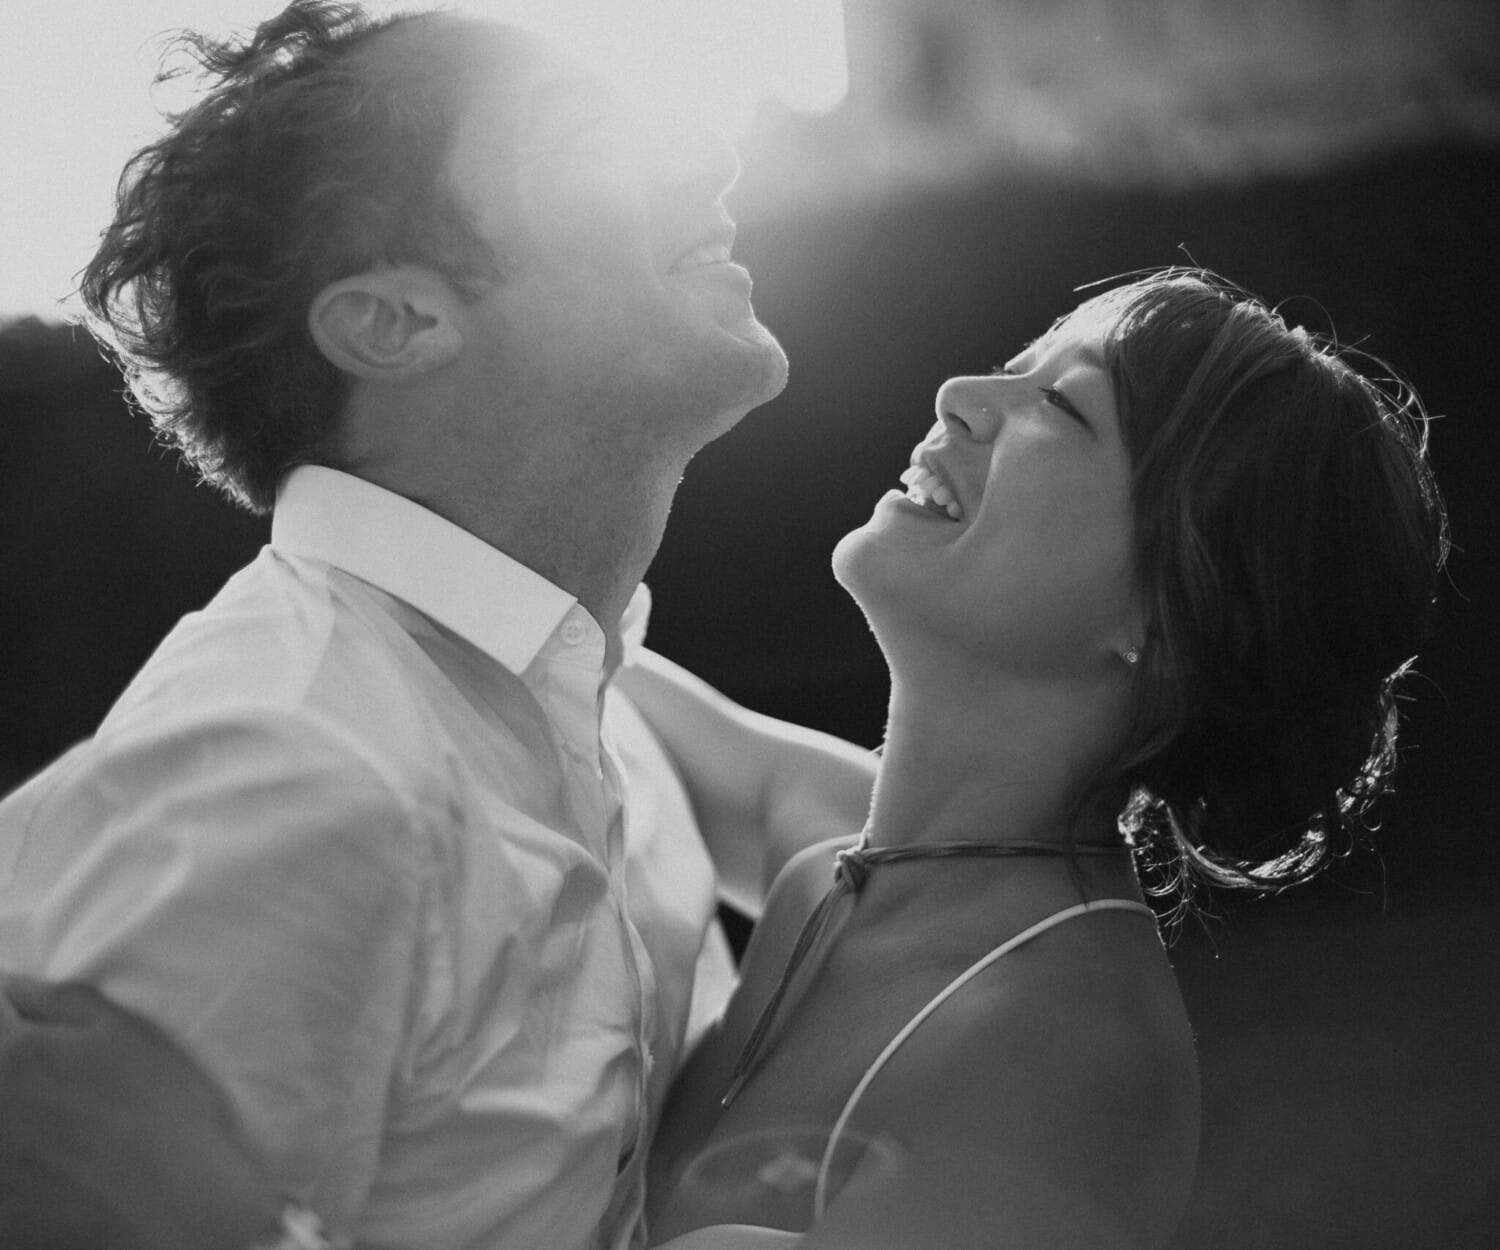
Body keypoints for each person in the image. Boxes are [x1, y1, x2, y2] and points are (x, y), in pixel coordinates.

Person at [0, 268, 1446, 1249]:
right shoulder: (847, 844)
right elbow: (551, 652)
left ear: (1173, 608)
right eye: (1008, 367)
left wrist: (191, 1202)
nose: (959, 395)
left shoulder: (1064, 1057)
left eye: (1059, 409)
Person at [0, 3, 877, 1249]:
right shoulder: (285, 773)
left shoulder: (597, 711)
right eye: (581, 136)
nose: (709, 154)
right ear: (396, 322)